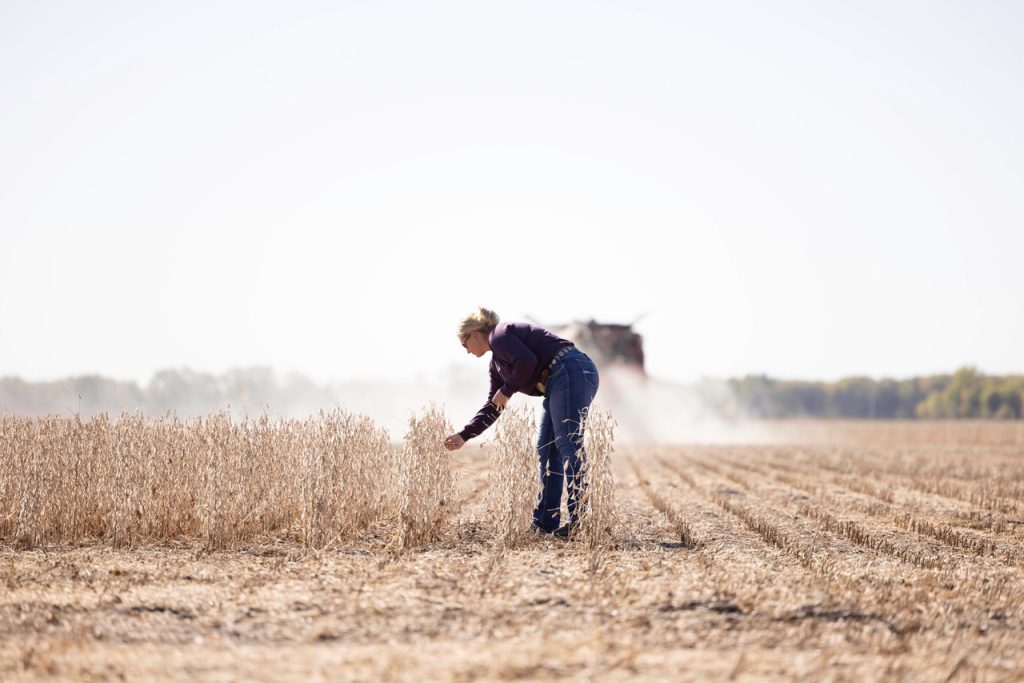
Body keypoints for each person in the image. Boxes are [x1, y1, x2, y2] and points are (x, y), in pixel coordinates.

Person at [443, 307, 600, 536]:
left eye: (464, 344)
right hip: (559, 379)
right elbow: (494, 405)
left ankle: (581, 522)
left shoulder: (500, 334)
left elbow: (526, 361)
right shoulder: (496, 364)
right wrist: (464, 435)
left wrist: (506, 390)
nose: (466, 351)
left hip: (570, 369)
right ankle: (545, 523)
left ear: (474, 334)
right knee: (547, 450)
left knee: (567, 442)